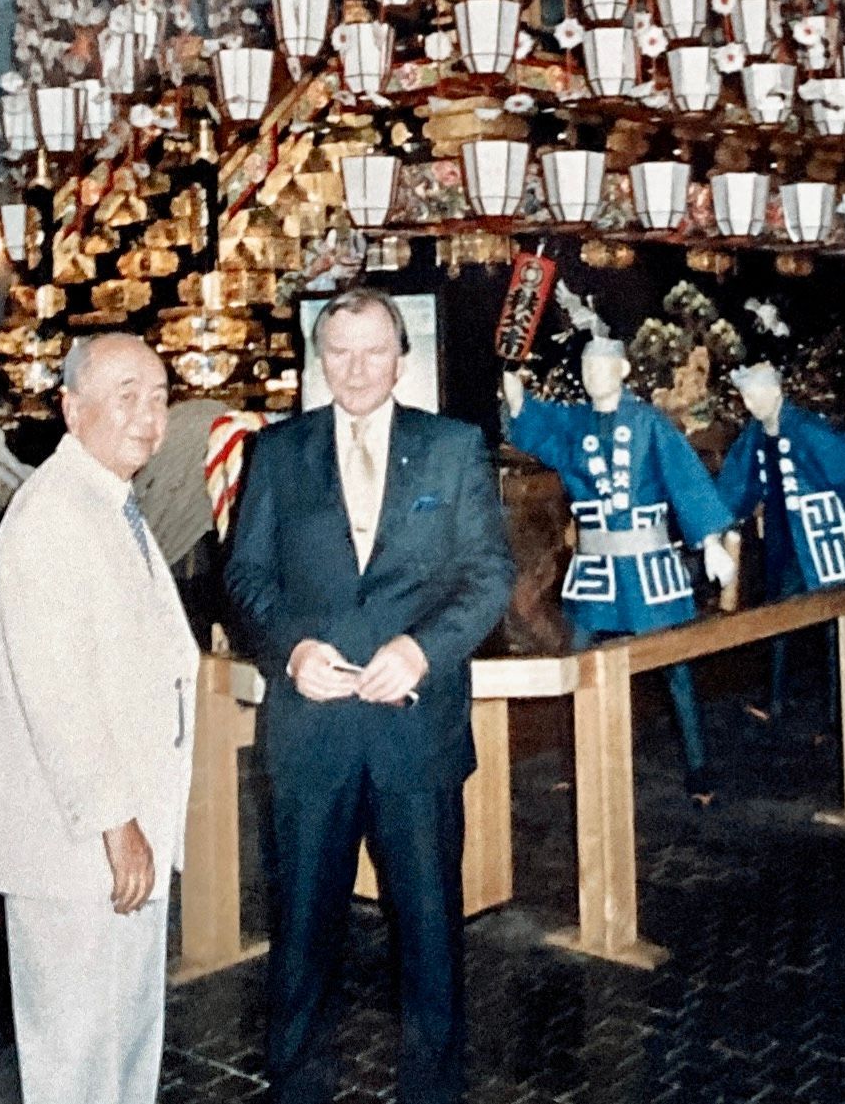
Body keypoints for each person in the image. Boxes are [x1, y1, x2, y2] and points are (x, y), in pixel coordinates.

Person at [224, 286, 515, 1104]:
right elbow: (245, 577)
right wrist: (291, 648)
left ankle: (432, 1092)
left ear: (401, 356)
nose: (356, 368)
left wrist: (422, 650)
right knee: (303, 938)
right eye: (340, 351)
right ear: (321, 358)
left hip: (413, 733)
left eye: (373, 349)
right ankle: (298, 1090)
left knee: (429, 939)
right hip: (311, 731)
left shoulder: (454, 446)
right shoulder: (277, 452)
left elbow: (490, 574)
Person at [0, 334, 198, 1104]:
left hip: (118, 837)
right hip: (78, 841)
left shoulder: (109, 501)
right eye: (125, 394)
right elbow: (55, 688)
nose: (148, 414)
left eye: (160, 394)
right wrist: (114, 817)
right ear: (72, 407)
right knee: (74, 1060)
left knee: (124, 1046)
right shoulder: (53, 514)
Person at [501, 336, 735, 803]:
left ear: (623, 369)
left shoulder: (648, 422)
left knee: (675, 666)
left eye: (601, 366)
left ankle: (698, 765)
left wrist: (712, 540)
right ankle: (580, 760)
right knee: (578, 662)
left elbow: (683, 476)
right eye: (586, 367)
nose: (592, 376)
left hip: (648, 565)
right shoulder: (577, 423)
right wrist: (515, 398)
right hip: (596, 568)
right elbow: (536, 423)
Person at [718, 360, 845, 719]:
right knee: (779, 616)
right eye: (745, 397)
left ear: (775, 391)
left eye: (755, 394)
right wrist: (722, 522)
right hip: (785, 539)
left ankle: (840, 714)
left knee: (839, 626)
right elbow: (739, 480)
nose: (750, 404)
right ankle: (774, 698)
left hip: (824, 540)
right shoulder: (755, 435)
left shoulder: (805, 429)